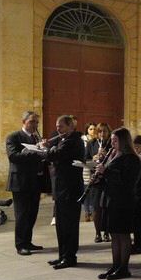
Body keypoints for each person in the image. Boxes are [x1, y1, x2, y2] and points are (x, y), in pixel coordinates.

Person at [95, 127, 141, 280]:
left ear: (123, 141)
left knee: (123, 234)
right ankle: (115, 265)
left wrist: (106, 171)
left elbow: (126, 181)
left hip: (124, 201)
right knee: (114, 234)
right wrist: (98, 179)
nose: (112, 143)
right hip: (111, 200)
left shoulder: (132, 159)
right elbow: (109, 179)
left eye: (116, 140)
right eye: (112, 140)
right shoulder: (114, 156)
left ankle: (124, 268)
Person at [40, 115, 84, 269]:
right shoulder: (63, 140)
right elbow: (53, 155)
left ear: (71, 126)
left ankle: (70, 257)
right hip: (61, 189)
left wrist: (46, 149)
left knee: (69, 225)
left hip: (70, 190)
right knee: (60, 224)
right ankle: (62, 255)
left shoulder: (74, 141)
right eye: (57, 126)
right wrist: (49, 150)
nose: (57, 129)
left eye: (61, 126)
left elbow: (56, 155)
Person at [5, 111, 46, 255]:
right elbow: (13, 156)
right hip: (20, 182)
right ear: (24, 122)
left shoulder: (36, 138)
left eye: (36, 122)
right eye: (32, 122)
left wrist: (44, 150)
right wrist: (32, 151)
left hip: (34, 181)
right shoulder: (14, 137)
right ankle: (20, 245)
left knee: (32, 214)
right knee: (22, 215)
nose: (34, 125)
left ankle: (28, 242)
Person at [86, 123, 112, 243]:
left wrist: (106, 155)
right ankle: (97, 233)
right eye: (100, 132)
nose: (102, 134)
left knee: (107, 207)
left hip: (108, 179)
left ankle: (107, 232)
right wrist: (94, 158)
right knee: (96, 207)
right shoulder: (91, 143)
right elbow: (85, 159)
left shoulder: (112, 143)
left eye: (105, 132)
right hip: (96, 179)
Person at [81, 122, 97, 222]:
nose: (93, 131)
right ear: (87, 130)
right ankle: (86, 212)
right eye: (90, 129)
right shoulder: (83, 140)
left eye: (94, 129)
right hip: (85, 168)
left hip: (94, 168)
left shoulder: (97, 141)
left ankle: (92, 212)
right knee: (85, 190)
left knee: (92, 192)